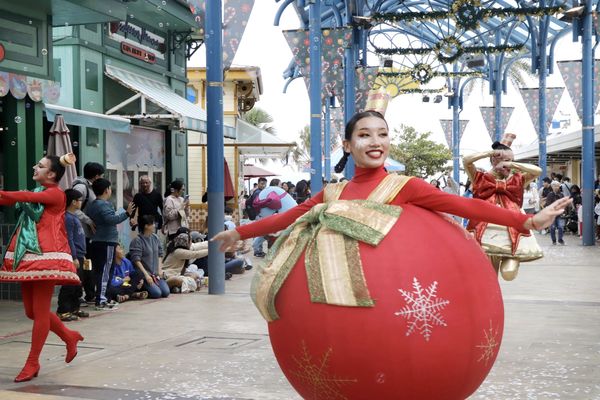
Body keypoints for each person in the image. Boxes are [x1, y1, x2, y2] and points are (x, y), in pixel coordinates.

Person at [212, 111, 571, 400]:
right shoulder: (333, 193)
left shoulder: (403, 186)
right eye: (365, 134)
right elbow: (290, 217)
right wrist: (238, 232)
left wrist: (526, 220)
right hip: (332, 324)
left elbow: (463, 204)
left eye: (382, 134)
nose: (376, 141)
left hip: (399, 318)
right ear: (348, 144)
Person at [0, 154, 84, 382]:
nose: (35, 167)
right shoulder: (39, 193)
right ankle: (69, 337)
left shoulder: (55, 193)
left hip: (47, 256)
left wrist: (3, 195)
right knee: (32, 311)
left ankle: (33, 362)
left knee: (39, 311)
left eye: (41, 165)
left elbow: (22, 196)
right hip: (31, 256)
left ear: (53, 174)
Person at [462, 133, 544, 281]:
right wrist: (489, 152)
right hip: (483, 232)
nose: (509, 165)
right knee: (488, 278)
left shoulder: (518, 179)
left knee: (508, 273)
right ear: (494, 160)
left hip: (512, 233)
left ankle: (514, 259)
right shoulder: (479, 178)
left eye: (511, 161)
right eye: (506, 160)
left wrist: (511, 164)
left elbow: (537, 171)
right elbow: (466, 161)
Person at [86, 178, 134, 310]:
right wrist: (127, 213)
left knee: (101, 272)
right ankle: (101, 300)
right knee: (105, 272)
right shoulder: (104, 205)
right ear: (106, 190)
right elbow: (111, 220)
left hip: (97, 241)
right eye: (110, 187)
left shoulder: (93, 204)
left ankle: (104, 297)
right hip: (106, 242)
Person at [71, 161, 105, 305]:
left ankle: (89, 293)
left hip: (90, 234)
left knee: (88, 264)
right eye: (101, 175)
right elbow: (73, 208)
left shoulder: (91, 187)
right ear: (96, 175)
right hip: (81, 233)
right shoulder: (81, 187)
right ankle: (79, 294)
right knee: (83, 264)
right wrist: (89, 221)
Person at [56, 189, 89, 322]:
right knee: (69, 283)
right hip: (73, 257)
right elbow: (68, 239)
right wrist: (74, 257)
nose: (81, 202)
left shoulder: (74, 216)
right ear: (74, 202)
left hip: (80, 255)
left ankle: (75, 307)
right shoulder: (67, 218)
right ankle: (63, 310)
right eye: (80, 200)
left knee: (78, 284)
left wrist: (82, 256)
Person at [130, 215, 170, 298]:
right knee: (157, 294)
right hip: (144, 275)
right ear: (146, 226)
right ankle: (140, 288)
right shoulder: (137, 241)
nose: (154, 225)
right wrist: (146, 275)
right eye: (152, 223)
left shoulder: (155, 238)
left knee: (165, 292)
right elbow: (136, 260)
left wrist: (160, 270)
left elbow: (160, 253)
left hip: (156, 275)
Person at [162, 228, 208, 293]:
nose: (191, 242)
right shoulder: (178, 252)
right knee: (179, 280)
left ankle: (177, 287)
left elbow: (198, 246)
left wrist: (213, 242)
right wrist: (212, 250)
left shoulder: (182, 249)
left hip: (177, 274)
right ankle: (170, 285)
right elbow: (196, 254)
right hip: (168, 276)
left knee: (195, 275)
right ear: (186, 241)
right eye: (190, 240)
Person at [546, 180, 566, 245]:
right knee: (553, 227)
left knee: (560, 227)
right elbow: (548, 204)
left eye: (557, 186)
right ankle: (554, 240)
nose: (556, 187)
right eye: (554, 186)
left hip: (560, 213)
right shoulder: (550, 194)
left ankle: (560, 239)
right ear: (552, 187)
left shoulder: (561, 194)